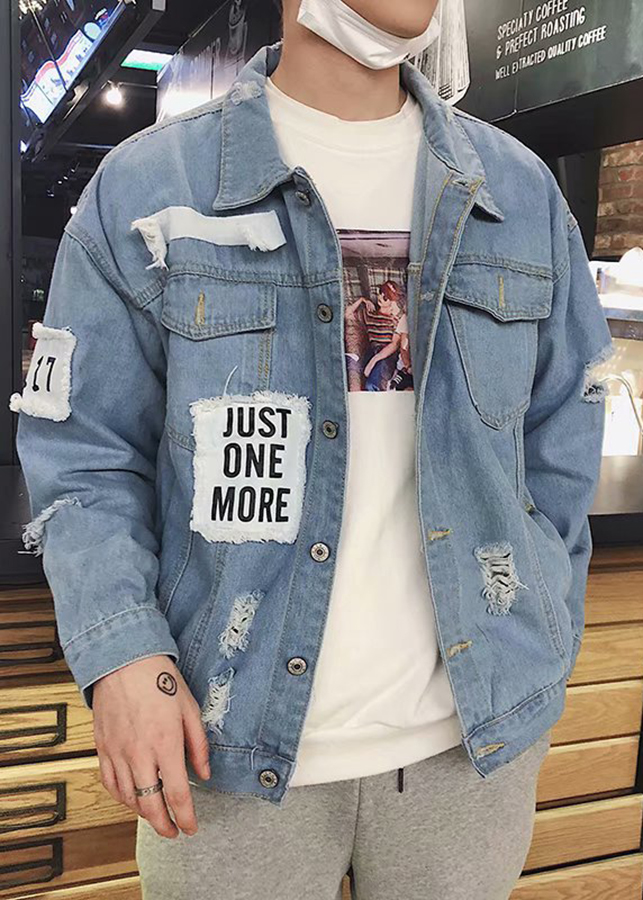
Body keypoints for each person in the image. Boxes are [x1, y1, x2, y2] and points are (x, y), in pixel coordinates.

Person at [11, 1, 614, 898]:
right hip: (222, 741)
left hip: (469, 747)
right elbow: (85, 457)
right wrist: (123, 657)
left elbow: (562, 443)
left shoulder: (519, 193)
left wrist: (542, 635)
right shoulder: (147, 188)